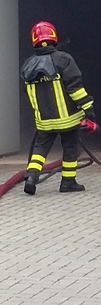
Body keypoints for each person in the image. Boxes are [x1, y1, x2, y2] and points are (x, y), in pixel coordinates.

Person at [21, 20, 95, 195]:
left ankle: (31, 177)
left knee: (40, 150)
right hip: (68, 119)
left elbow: (29, 94)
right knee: (70, 148)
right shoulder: (64, 59)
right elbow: (75, 88)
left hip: (44, 121)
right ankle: (68, 182)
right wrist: (88, 109)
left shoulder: (28, 65)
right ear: (53, 36)